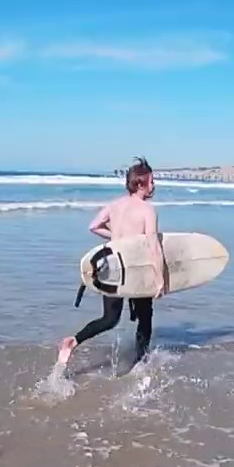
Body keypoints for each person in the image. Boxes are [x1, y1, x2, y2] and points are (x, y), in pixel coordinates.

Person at [57, 157, 167, 367]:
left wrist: (116, 236)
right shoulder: (147, 210)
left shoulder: (115, 205)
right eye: (152, 181)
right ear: (141, 184)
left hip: (113, 267)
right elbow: (153, 245)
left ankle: (74, 340)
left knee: (109, 319)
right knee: (145, 317)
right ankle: (140, 364)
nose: (154, 185)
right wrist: (159, 279)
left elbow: (94, 226)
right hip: (135, 268)